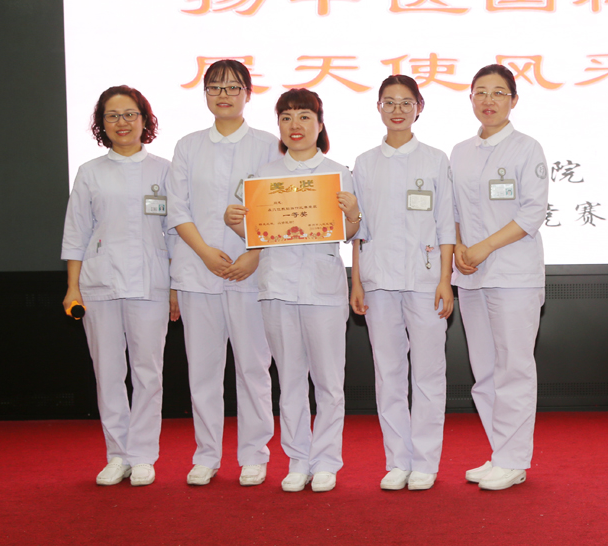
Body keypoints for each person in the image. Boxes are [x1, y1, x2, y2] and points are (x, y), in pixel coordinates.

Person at [224, 88, 360, 493]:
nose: (294, 126)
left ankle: (327, 461)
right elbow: (255, 234)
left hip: (323, 289)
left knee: (329, 381)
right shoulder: (261, 177)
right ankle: (298, 459)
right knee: (290, 379)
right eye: (286, 118)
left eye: (303, 117)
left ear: (320, 124)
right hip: (277, 288)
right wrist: (235, 222)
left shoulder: (339, 173)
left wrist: (353, 213)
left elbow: (352, 232)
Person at [167, 60, 279, 487]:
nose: (223, 95)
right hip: (198, 272)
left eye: (233, 87)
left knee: (253, 367)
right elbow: (177, 208)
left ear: (248, 93)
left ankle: (254, 454)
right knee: (203, 370)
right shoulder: (188, 146)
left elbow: (279, 207)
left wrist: (254, 254)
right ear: (205, 95)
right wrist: (204, 253)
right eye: (214, 87)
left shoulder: (268, 145)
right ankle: (206, 455)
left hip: (251, 273)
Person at [62, 85, 179, 487]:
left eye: (130, 114)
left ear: (144, 120)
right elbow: (76, 233)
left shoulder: (164, 170)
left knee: (148, 371)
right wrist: (72, 287)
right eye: (112, 116)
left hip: (151, 283)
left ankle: (143, 454)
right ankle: (117, 454)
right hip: (99, 284)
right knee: (108, 371)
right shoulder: (90, 172)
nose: (122, 122)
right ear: (102, 123)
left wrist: (175, 287)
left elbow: (176, 232)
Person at [350, 75, 455, 491]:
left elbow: (446, 223)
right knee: (388, 372)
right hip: (378, 280)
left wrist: (446, 279)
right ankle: (397, 460)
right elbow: (358, 230)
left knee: (428, 373)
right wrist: (356, 281)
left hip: (426, 280)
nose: (397, 110)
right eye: (389, 102)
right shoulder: (364, 162)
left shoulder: (435, 159)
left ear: (419, 108)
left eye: (406, 103)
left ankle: (425, 461)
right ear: (378, 107)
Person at [450, 64, 548, 491]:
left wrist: (484, 247)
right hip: (471, 275)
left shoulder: (527, 148)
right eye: (481, 92)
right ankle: (500, 453)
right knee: (485, 371)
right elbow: (452, 210)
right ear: (471, 98)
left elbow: (532, 212)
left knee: (514, 368)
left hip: (513, 275)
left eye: (498, 92)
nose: (488, 100)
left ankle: (514, 459)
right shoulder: (460, 151)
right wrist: (459, 248)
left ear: (513, 100)